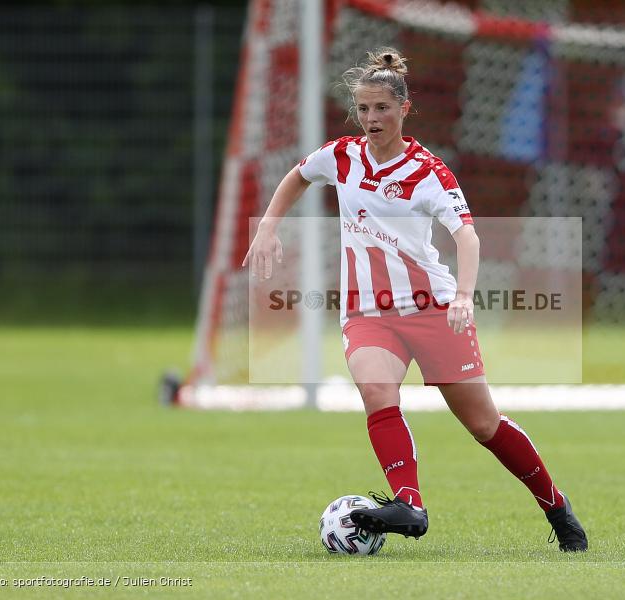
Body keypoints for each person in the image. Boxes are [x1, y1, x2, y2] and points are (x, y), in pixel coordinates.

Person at [243, 47, 587, 552]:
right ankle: (410, 505)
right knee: (376, 392)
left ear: (403, 109)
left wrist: (463, 296)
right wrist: (268, 227)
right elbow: (299, 175)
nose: (371, 118)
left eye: (382, 108)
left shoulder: (429, 172)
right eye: (363, 108)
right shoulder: (341, 156)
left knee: (483, 424)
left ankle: (556, 506)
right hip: (368, 312)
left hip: (433, 310)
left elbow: (467, 236)